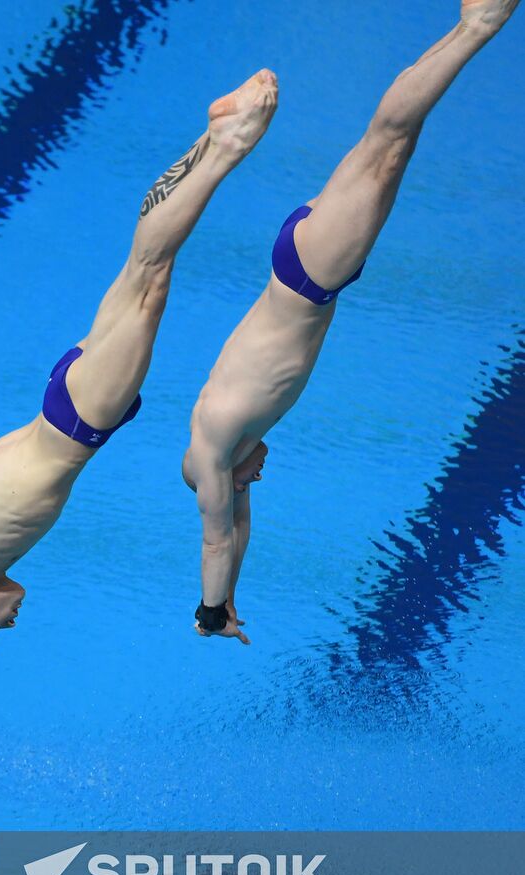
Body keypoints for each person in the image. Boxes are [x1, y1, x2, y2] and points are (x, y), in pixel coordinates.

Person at [0, 70, 279, 793]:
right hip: (63, 402)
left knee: (151, 271)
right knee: (144, 268)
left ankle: (229, 143)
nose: (3, 629)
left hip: (79, 419)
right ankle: (213, 135)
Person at [183, 0, 520, 644]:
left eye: (247, 481)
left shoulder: (217, 447)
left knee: (387, 141)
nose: (260, 473)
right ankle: (464, 27)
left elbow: (218, 535)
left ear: (221, 480)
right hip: (305, 265)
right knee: (392, 144)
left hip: (312, 274)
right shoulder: (217, 447)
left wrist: (207, 612)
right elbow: (240, 525)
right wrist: (231, 605)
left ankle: (478, 24)